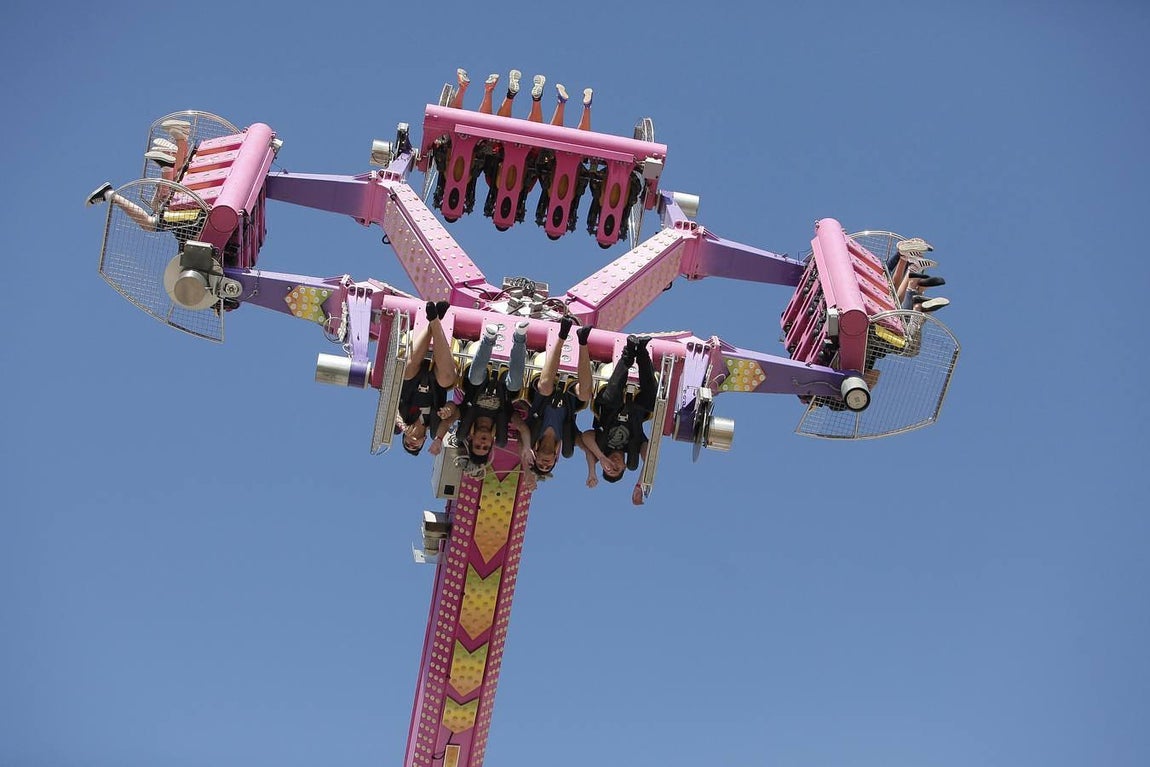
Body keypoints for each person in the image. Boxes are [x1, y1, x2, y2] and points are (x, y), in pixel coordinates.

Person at [579, 334, 656, 506]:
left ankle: (629, 352)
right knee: (652, 402)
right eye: (617, 469)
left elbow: (586, 436)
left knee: (611, 398)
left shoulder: (603, 446)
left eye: (609, 469)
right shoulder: (633, 448)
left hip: (611, 404)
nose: (613, 465)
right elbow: (649, 457)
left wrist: (601, 459)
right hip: (636, 408)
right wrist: (639, 485)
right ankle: (642, 352)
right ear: (624, 467)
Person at [524, 318, 594, 478]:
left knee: (545, 387)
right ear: (556, 459)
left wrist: (527, 468)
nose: (545, 463)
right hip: (569, 391)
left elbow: (520, 431)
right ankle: (583, 340)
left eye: (540, 464)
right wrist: (592, 471)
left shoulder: (532, 435)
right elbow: (587, 449)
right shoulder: (568, 439)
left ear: (535, 456)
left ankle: (562, 335)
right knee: (585, 394)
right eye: (548, 466)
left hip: (544, 387)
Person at [455, 320, 530, 465]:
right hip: (503, 377)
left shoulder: (466, 415)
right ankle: (520, 336)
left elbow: (449, 417)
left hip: (481, 374)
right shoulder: (503, 419)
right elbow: (522, 427)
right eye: (485, 447)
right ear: (491, 443)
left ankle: (489, 338)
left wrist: (439, 438)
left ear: (471, 439)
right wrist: (526, 447)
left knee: (475, 379)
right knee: (514, 386)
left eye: (477, 446)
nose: (482, 443)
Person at [393, 300, 461, 456]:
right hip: (436, 379)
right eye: (415, 447)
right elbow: (454, 408)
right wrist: (448, 410)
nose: (412, 444)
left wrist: (401, 424)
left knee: (406, 370)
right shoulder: (434, 426)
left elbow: (391, 408)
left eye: (407, 444)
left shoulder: (402, 419)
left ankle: (433, 321)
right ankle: (434, 320)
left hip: (413, 375)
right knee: (447, 379)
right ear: (423, 441)